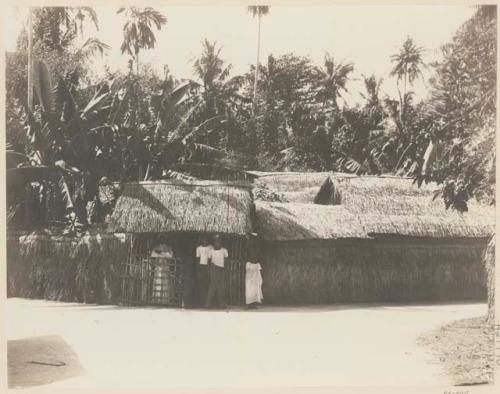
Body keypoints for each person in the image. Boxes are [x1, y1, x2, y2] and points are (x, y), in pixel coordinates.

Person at [205, 235, 228, 309]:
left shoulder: (224, 250)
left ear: (221, 242)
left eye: (218, 241)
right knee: (213, 286)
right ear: (214, 242)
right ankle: (208, 304)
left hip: (221, 269)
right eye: (215, 241)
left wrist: (225, 270)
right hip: (214, 269)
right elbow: (208, 261)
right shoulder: (211, 251)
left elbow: (226, 261)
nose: (217, 243)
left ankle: (222, 304)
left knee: (221, 287)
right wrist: (209, 269)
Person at [151, 236, 173, 303]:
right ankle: (157, 300)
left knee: (165, 283)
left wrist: (160, 253)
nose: (162, 239)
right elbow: (153, 255)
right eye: (161, 238)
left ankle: (164, 300)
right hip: (158, 267)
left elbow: (170, 256)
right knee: (158, 282)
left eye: (163, 238)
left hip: (165, 268)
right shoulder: (156, 247)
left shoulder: (168, 248)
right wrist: (163, 254)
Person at [245, 234, 263, 308]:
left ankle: (253, 303)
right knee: (249, 286)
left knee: (255, 286)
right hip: (250, 266)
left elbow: (258, 256)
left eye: (254, 239)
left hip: (255, 267)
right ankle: (249, 304)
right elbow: (247, 256)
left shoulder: (257, 248)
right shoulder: (248, 247)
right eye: (252, 239)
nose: (253, 241)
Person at [195, 235, 213, 307]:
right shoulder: (198, 248)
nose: (204, 241)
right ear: (201, 240)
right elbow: (197, 259)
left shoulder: (211, 247)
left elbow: (211, 258)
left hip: (208, 267)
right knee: (201, 285)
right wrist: (199, 269)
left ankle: (207, 302)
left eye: (206, 239)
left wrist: (209, 268)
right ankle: (201, 302)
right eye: (203, 239)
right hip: (201, 267)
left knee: (208, 284)